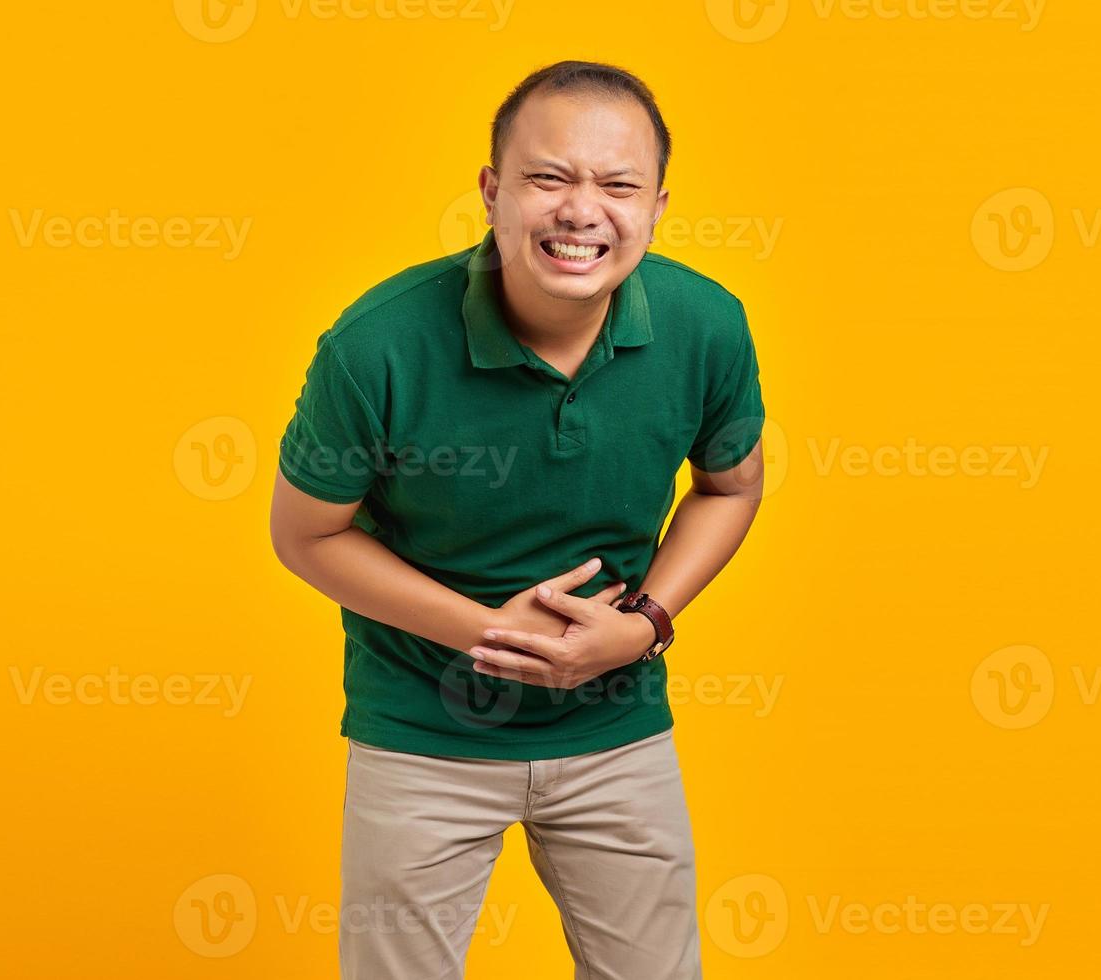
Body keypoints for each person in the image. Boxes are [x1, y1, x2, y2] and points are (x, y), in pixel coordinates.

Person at [269, 59, 765, 980]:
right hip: (422, 732)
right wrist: (497, 632)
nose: (582, 212)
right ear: (494, 192)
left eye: (618, 185)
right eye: (549, 178)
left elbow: (729, 486)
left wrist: (643, 627)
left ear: (658, 205)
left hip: (617, 730)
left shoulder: (708, 325)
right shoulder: (376, 346)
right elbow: (307, 533)